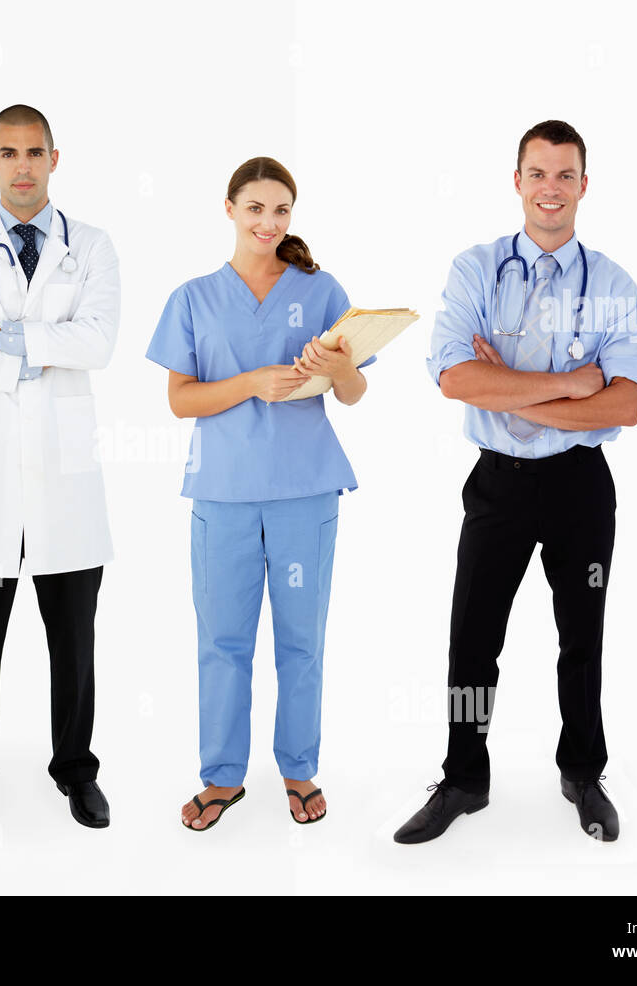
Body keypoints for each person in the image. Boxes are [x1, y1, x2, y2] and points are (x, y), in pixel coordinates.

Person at [395, 120, 637, 845]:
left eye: (565, 175)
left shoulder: (613, 285)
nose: (550, 189)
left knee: (582, 638)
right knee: (472, 640)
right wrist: (572, 384)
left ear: (583, 185)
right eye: (537, 174)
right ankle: (463, 779)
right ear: (517, 181)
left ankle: (583, 772)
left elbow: (626, 403)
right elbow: (453, 377)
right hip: (498, 485)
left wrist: (508, 392)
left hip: (581, 487)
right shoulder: (475, 269)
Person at [146, 156, 374, 831]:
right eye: (256, 209)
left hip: (305, 491)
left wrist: (340, 369)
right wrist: (250, 382)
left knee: (302, 639)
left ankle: (299, 769)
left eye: (281, 211)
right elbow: (180, 400)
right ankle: (222, 777)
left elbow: (356, 393)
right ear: (230, 209)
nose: (269, 223)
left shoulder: (320, 288)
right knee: (223, 640)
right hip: (223, 494)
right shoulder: (193, 297)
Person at [0, 104, 120, 835]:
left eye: (35, 152)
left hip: (67, 484)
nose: (23, 166)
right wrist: (40, 352)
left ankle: (76, 772)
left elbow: (98, 343)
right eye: (8, 153)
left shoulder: (92, 248)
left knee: (75, 643)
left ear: (54, 158)